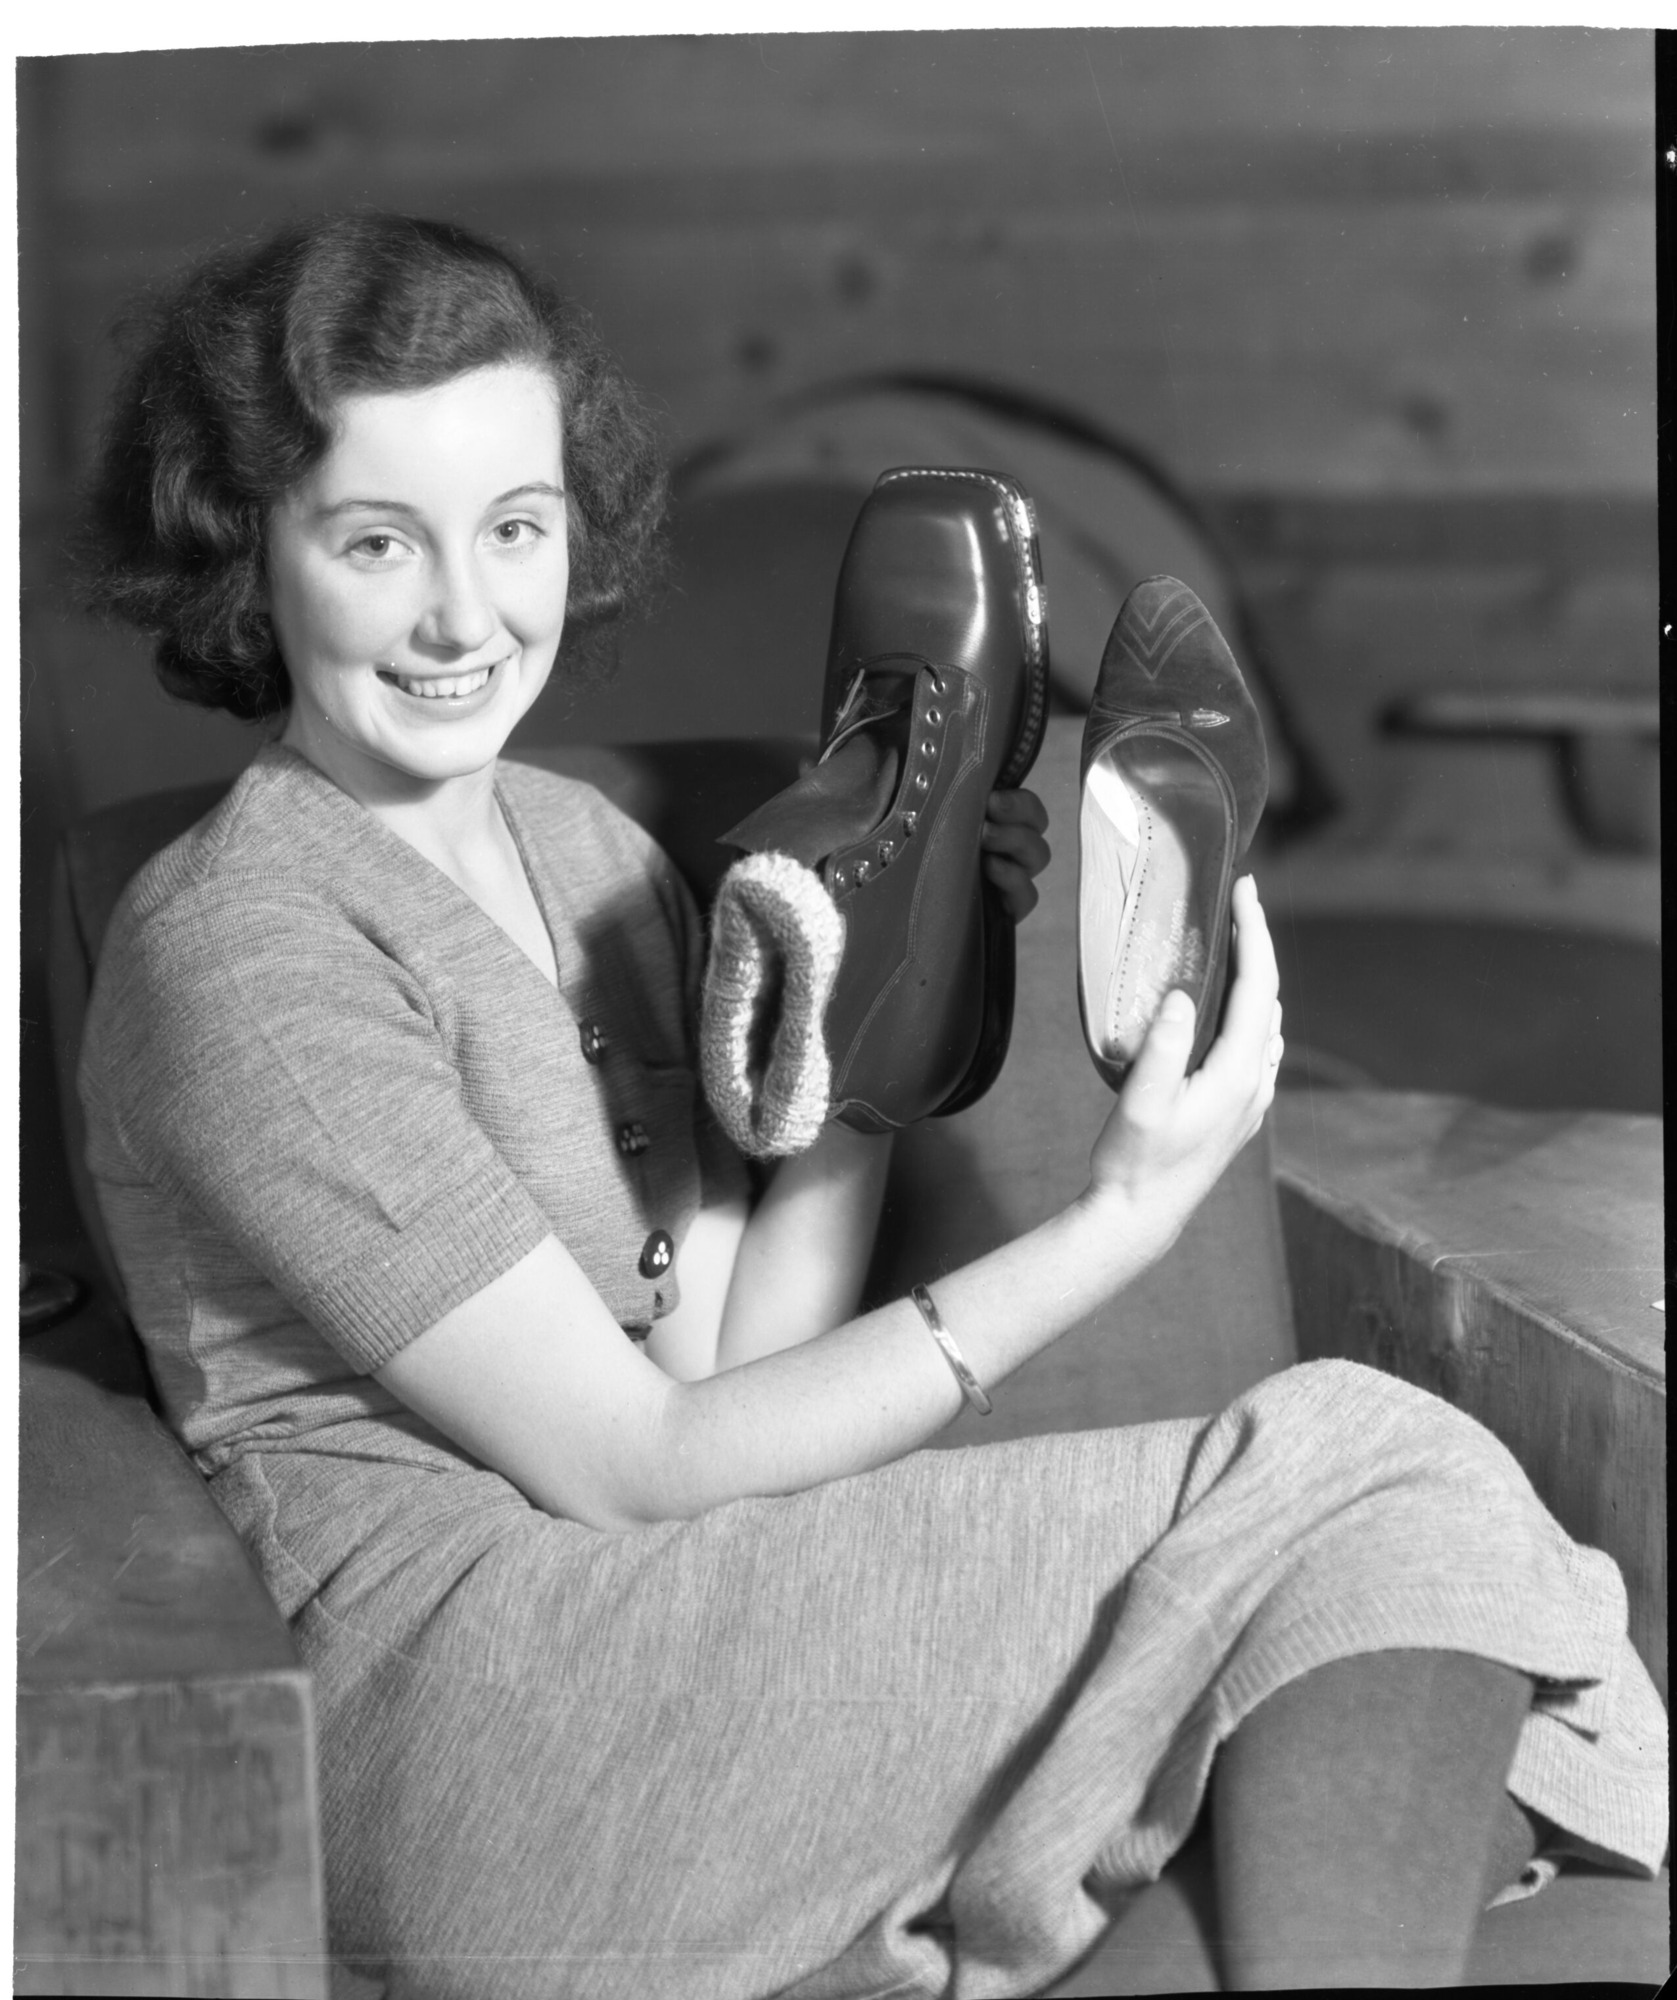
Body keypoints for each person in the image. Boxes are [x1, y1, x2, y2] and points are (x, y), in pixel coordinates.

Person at [77, 213, 1665, 1998]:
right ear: (249, 558)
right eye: (377, 541)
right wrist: (1118, 1220)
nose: (463, 613)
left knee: (1376, 1591)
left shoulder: (586, 856)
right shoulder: (239, 947)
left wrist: (875, 1034)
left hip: (674, 1614)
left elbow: (717, 1376)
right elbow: (630, 1469)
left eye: (513, 528)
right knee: (1384, 1478)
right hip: (469, 1722)